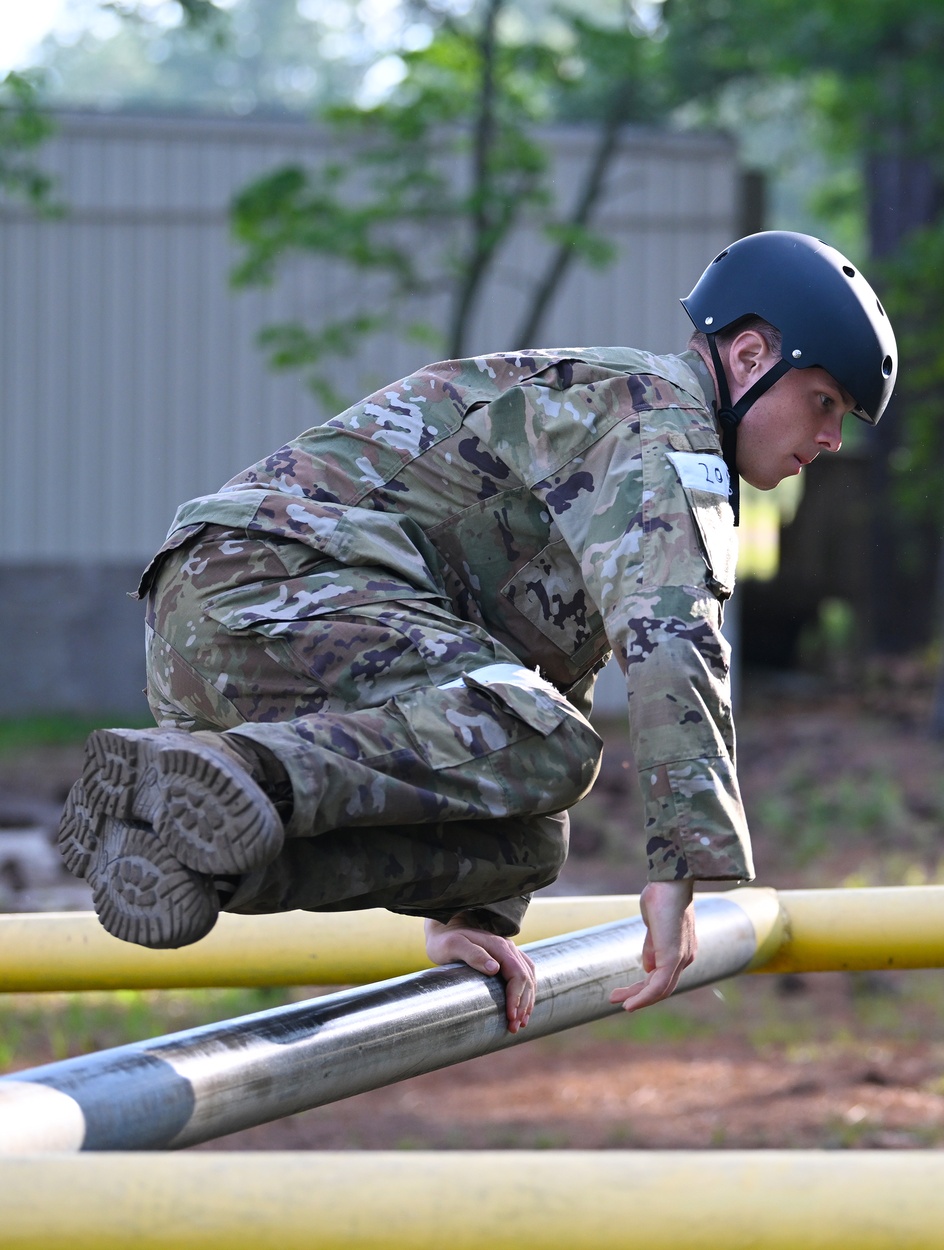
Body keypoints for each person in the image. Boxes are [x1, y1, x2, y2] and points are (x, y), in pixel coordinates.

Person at [58, 231, 896, 1033]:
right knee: (557, 745)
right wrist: (685, 867)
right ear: (750, 358)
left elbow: (539, 664)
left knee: (531, 840)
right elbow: (671, 639)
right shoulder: (659, 421)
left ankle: (185, 850)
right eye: (822, 402)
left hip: (247, 621)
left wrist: (469, 915)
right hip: (271, 584)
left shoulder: (634, 438)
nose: (828, 439)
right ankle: (232, 770)